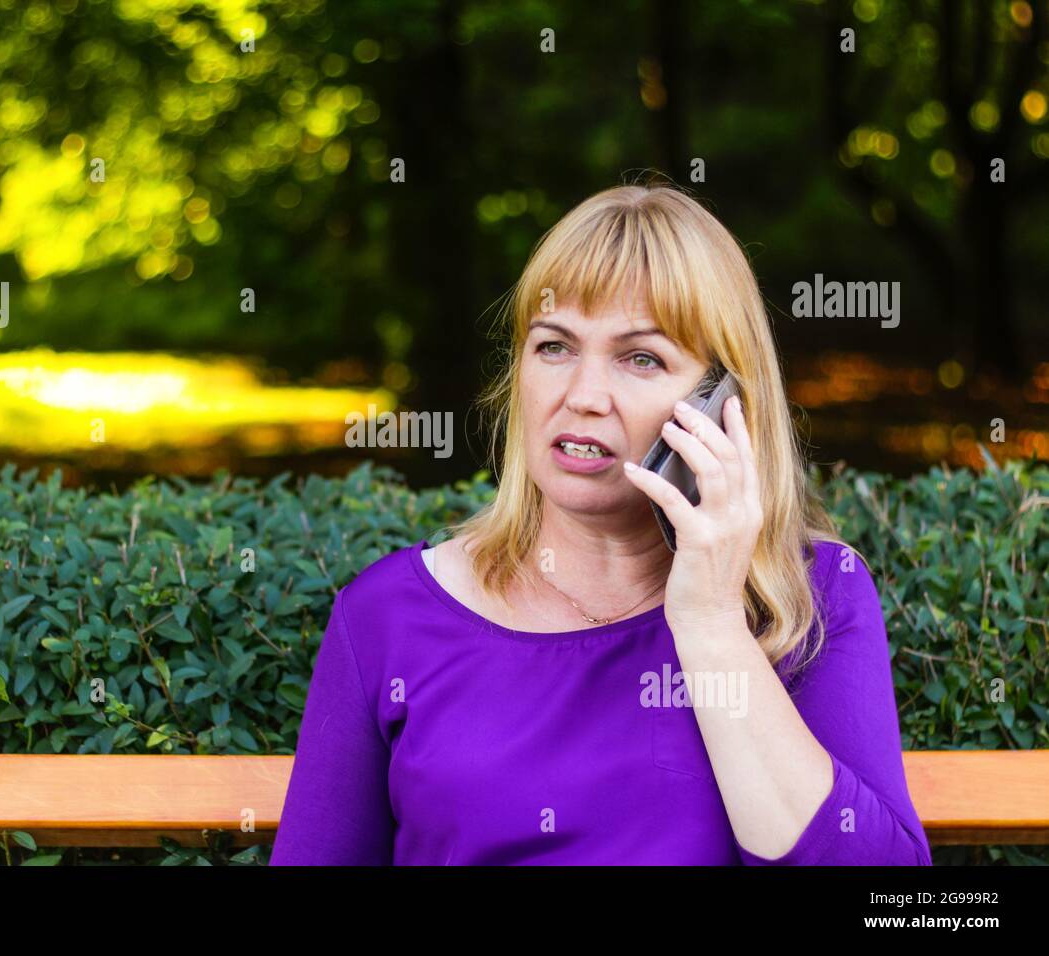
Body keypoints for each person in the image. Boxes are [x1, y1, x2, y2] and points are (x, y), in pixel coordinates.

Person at [269, 181, 932, 865]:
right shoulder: (387, 616)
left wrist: (710, 623)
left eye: (640, 358)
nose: (583, 398)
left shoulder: (809, 599)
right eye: (554, 347)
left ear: (721, 404)